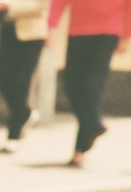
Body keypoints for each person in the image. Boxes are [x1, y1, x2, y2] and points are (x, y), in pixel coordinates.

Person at [49, 0, 131, 164]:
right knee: (72, 84)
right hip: (77, 31)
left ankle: (80, 150)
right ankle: (94, 123)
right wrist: (52, 25)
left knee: (91, 86)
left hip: (107, 31)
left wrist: (126, 36)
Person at [0, 1, 51, 151]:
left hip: (32, 34)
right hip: (9, 29)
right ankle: (25, 112)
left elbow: (40, 5)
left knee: (21, 81)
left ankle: (14, 134)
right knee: (2, 78)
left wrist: (8, 6)